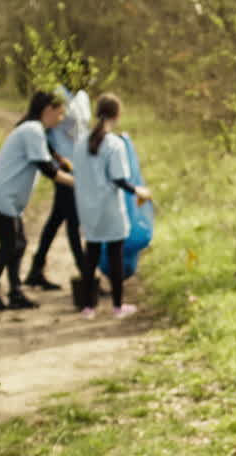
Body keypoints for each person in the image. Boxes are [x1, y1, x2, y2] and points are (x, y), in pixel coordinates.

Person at [0, 91, 75, 310]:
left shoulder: (33, 129)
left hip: (6, 198)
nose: (60, 120)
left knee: (18, 244)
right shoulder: (32, 130)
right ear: (48, 110)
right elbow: (48, 170)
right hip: (0, 196)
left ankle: (15, 292)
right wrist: (79, 184)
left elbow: (49, 155)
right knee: (10, 245)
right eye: (59, 114)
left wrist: (63, 162)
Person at [71, 93, 151, 319]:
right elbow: (119, 179)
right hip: (110, 207)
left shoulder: (80, 143)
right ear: (117, 115)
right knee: (115, 254)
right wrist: (139, 191)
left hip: (87, 208)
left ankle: (88, 307)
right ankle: (117, 306)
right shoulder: (114, 144)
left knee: (91, 255)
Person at [25, 89, 85, 292]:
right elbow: (44, 134)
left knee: (56, 219)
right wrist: (57, 158)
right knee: (73, 221)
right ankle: (86, 274)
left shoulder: (83, 97)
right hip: (63, 172)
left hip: (76, 165)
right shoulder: (58, 94)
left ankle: (35, 270)